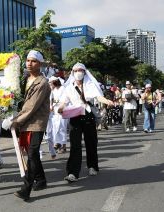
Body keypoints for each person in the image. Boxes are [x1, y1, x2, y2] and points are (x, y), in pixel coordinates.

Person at [58, 63, 114, 183]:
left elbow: (98, 97)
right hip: (75, 116)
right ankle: (73, 172)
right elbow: (63, 101)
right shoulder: (68, 87)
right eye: (76, 70)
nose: (78, 72)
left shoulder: (90, 85)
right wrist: (61, 108)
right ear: (72, 72)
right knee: (75, 145)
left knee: (91, 142)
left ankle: (92, 166)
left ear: (84, 72)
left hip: (88, 115)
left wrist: (107, 101)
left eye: (81, 70)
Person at [11, 50, 51, 201]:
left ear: (39, 64)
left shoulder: (42, 83)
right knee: (31, 153)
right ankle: (41, 180)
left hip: (36, 123)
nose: (29, 63)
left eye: (33, 61)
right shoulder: (24, 79)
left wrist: (16, 121)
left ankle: (26, 189)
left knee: (33, 153)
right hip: (25, 121)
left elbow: (31, 106)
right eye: (28, 60)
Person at [46, 76, 67, 157]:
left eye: (51, 83)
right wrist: (51, 105)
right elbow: (50, 99)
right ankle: (57, 143)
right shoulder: (53, 90)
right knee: (55, 127)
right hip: (54, 110)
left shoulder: (62, 89)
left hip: (62, 109)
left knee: (62, 127)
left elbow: (65, 99)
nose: (50, 84)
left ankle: (63, 145)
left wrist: (60, 105)